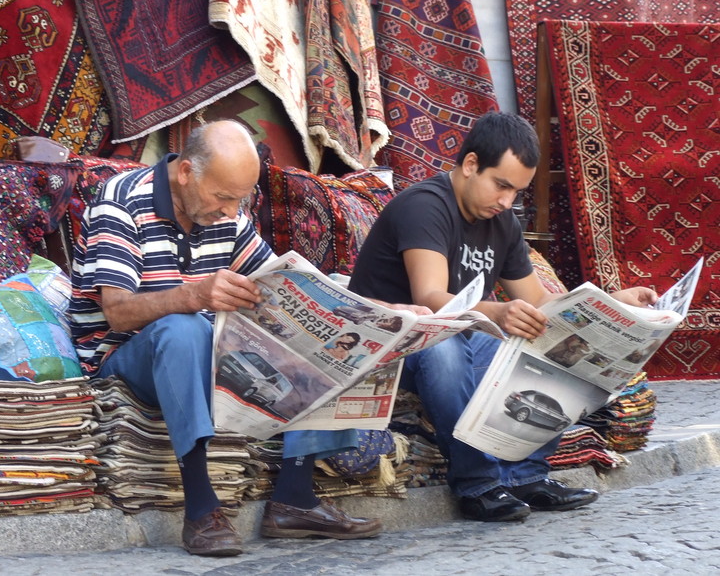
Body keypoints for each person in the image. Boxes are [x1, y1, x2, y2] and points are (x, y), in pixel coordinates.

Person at [69, 120, 383, 557]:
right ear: (185, 173)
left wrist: (370, 312)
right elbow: (118, 312)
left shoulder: (225, 211)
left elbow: (280, 281)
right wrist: (194, 294)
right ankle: (201, 508)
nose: (232, 212)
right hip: (124, 353)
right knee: (184, 327)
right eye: (222, 197)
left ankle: (295, 495)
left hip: (203, 341)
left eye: (240, 200)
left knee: (328, 335)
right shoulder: (120, 203)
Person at [348, 111, 658, 522]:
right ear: (472, 164)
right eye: (502, 186)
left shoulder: (503, 223)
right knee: (448, 350)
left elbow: (539, 302)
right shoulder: (425, 205)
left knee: (561, 345)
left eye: (517, 192)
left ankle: (528, 477)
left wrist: (612, 305)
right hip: (394, 341)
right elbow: (432, 298)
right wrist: (499, 312)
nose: (507, 201)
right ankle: (478, 486)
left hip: (457, 335)